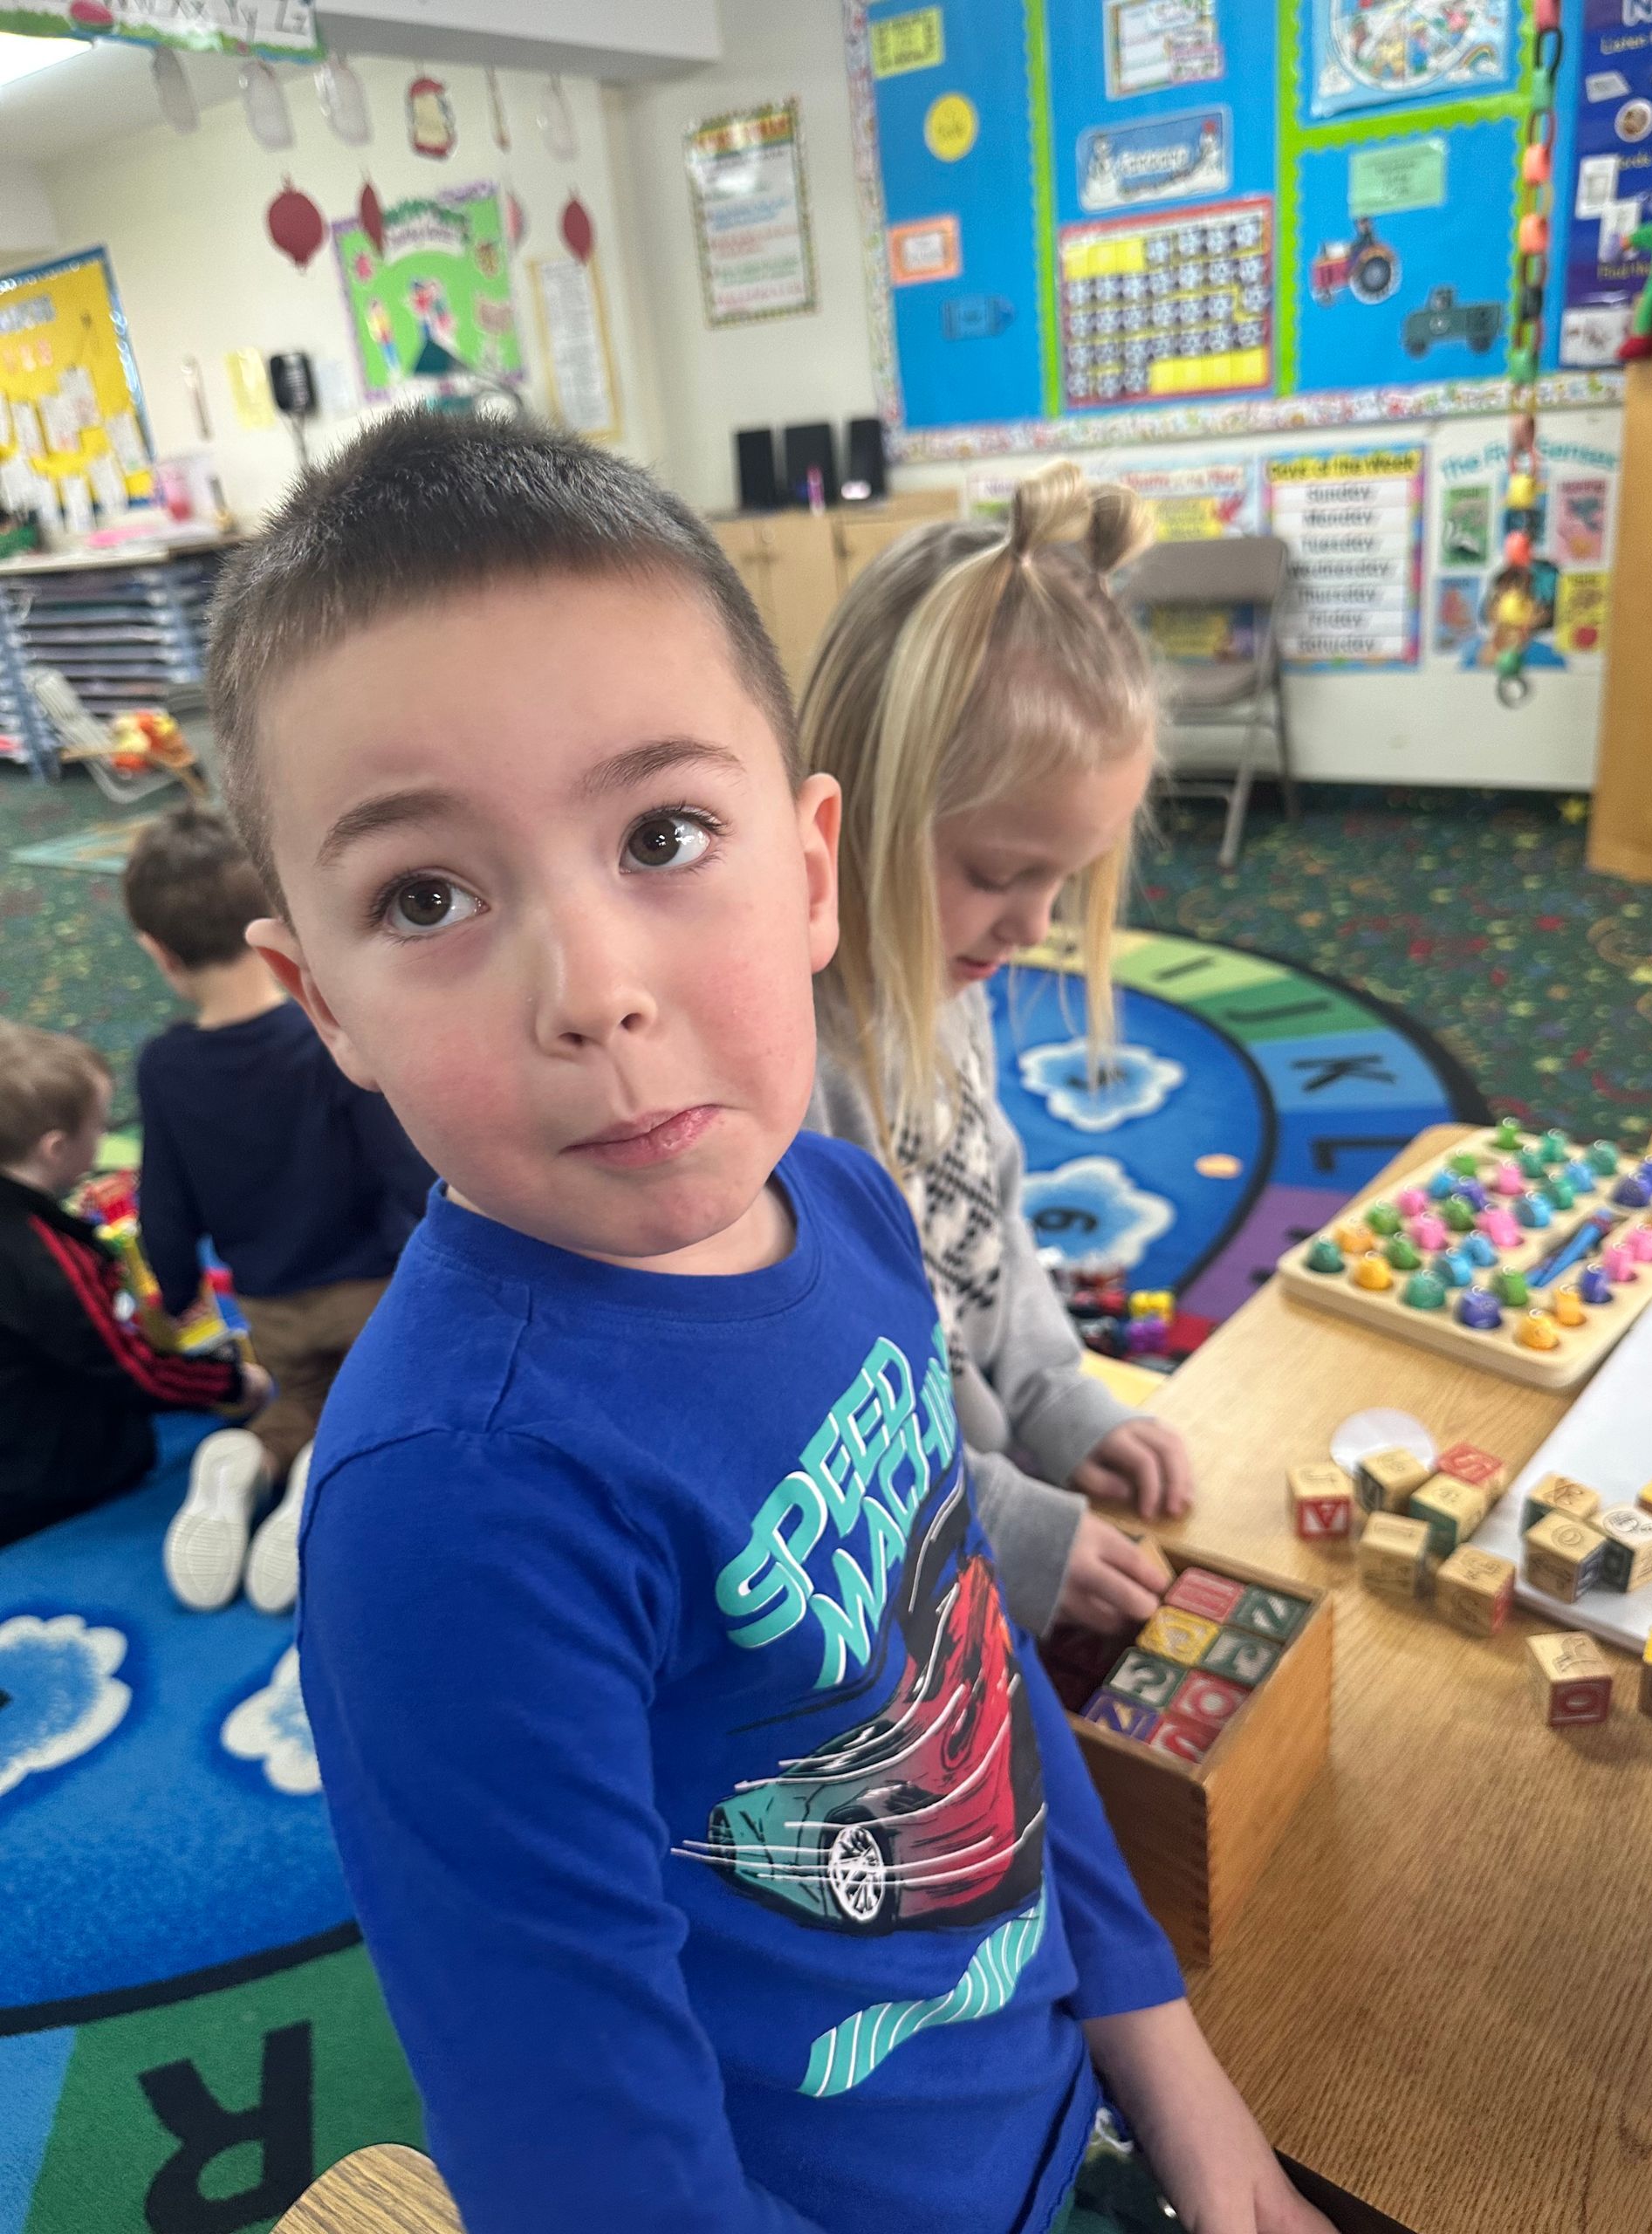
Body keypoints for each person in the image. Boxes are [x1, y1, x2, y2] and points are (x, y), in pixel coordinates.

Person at [217, 413, 1327, 2234]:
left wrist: (1179, 2076)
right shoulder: (451, 1511)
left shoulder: (854, 1206)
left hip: (1067, 2111)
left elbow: (970, 1679)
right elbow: (598, 2180)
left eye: (663, 831)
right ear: (316, 996)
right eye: (425, 895)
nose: (599, 991)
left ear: (813, 866)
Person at [801, 464, 1193, 1641]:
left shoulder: (944, 972)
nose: (1033, 927)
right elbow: (803, 1406)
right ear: (856, 808)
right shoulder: (785, 1066)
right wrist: (997, 1527)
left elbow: (992, 1223)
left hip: (980, 1472)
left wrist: (1059, 1394)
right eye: (996, 873)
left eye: (1063, 879)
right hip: (884, 1560)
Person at [123, 806, 431, 1614]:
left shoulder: (164, 1066)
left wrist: (180, 1281)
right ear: (277, 922)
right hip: (375, 1291)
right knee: (377, 1405)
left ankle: (253, 1462)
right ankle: (318, 1483)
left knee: (295, 1399)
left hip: (270, 1304)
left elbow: (165, 1197)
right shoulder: (327, 1034)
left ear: (159, 952)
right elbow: (401, 1167)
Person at [0, 1019, 269, 1548]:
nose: (103, 1139)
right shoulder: (44, 1256)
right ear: (54, 1149)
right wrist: (233, 1383)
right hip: (37, 1478)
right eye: (98, 1127)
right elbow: (132, 1370)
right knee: (130, 1435)